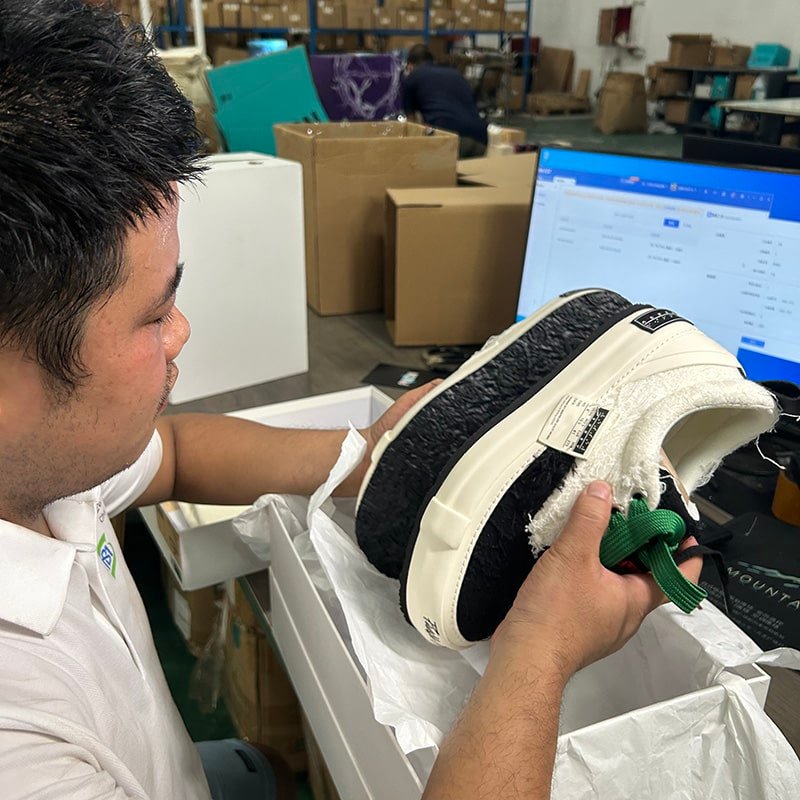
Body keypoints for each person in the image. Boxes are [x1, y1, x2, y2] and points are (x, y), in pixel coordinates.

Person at [0, 3, 701, 798]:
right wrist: (539, 650)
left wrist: (376, 458)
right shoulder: (19, 752)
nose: (182, 331)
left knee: (267, 767)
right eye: (154, 314)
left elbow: (180, 454)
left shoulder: (43, 466)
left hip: (171, 768)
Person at [401, 43, 489, 159]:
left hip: (449, 138)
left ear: (410, 66)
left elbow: (412, 125)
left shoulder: (412, 78)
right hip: (482, 137)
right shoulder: (456, 74)